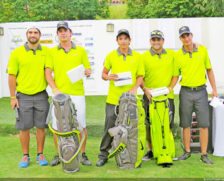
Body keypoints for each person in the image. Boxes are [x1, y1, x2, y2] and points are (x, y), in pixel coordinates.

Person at [45, 21, 92, 166]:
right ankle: (59, 154)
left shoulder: (81, 51)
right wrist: (54, 88)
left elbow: (88, 70)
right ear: (57, 34)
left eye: (65, 30)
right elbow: (47, 73)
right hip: (59, 95)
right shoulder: (51, 52)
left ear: (70, 33)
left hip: (77, 93)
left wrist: (87, 72)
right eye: (60, 31)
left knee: (81, 125)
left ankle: (82, 154)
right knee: (58, 126)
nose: (63, 33)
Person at [96, 29, 145, 167]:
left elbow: (140, 76)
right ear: (117, 41)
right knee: (110, 127)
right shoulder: (111, 55)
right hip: (113, 99)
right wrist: (108, 76)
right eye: (120, 38)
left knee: (131, 128)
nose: (123, 41)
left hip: (131, 100)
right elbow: (103, 74)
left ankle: (132, 155)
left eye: (126, 38)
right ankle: (103, 155)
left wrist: (134, 88)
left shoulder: (137, 57)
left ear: (130, 40)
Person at [171, 26, 218, 164]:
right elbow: (175, 75)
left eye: (188, 35)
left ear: (192, 35)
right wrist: (169, 88)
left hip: (201, 92)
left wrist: (214, 89)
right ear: (180, 39)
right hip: (185, 91)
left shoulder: (202, 50)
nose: (186, 38)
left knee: (204, 124)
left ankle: (204, 154)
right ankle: (187, 152)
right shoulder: (177, 55)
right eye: (183, 36)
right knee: (186, 124)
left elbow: (209, 70)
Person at [7, 26, 49, 168]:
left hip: (41, 96)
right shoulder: (17, 53)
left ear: (39, 35)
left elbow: (49, 72)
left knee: (41, 127)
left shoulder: (46, 52)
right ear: (26, 35)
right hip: (23, 96)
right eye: (30, 32)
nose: (33, 35)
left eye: (35, 32)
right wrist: (13, 97)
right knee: (24, 128)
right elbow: (12, 76)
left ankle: (40, 154)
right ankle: (25, 156)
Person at [141, 30, 176, 161]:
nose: (156, 42)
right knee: (149, 125)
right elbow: (140, 76)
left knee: (168, 124)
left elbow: (175, 75)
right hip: (150, 97)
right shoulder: (143, 57)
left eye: (158, 39)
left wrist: (170, 88)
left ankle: (167, 148)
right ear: (150, 41)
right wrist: (145, 89)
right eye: (153, 39)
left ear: (163, 41)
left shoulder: (171, 55)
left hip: (167, 97)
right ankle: (151, 150)